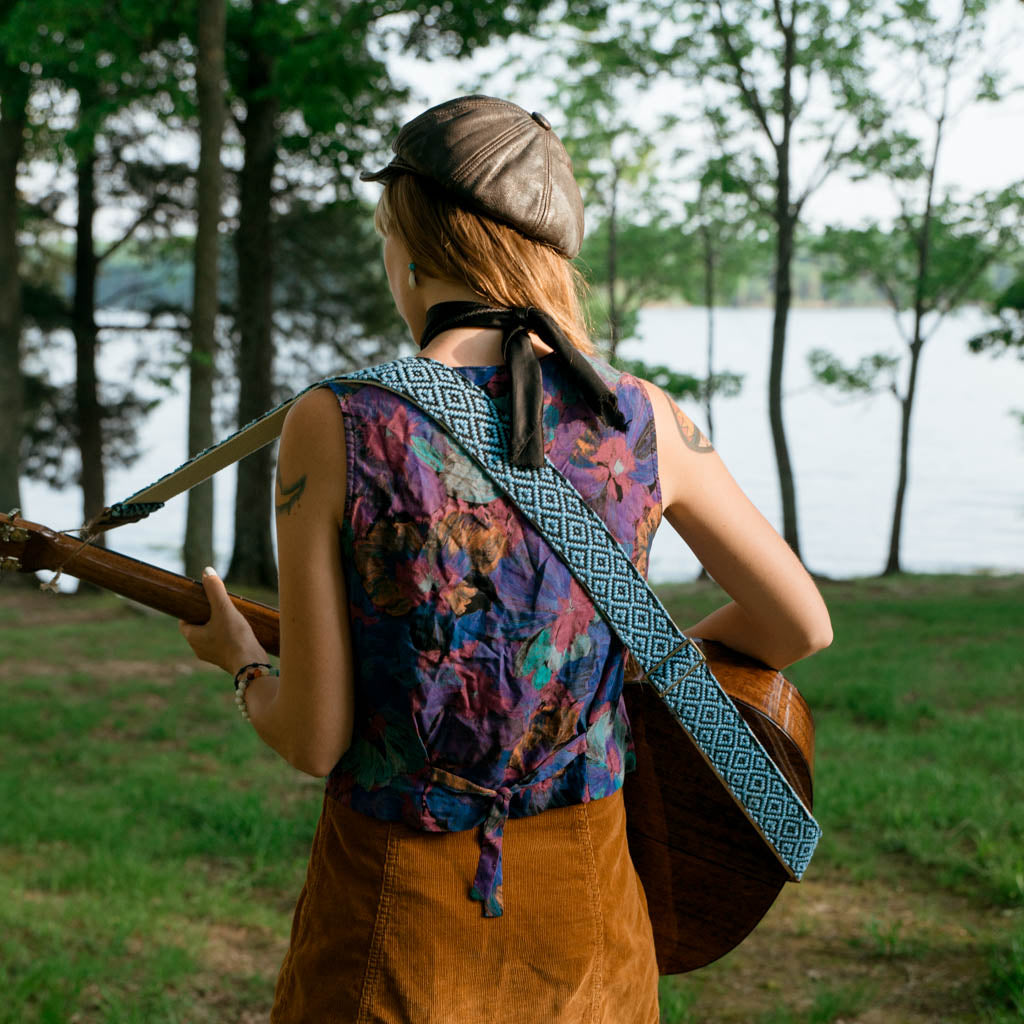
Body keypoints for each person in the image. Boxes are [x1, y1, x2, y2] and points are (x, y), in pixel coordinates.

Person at [179, 95, 832, 1023]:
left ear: (410, 246)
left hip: (398, 909)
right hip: (593, 908)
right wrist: (612, 686)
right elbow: (798, 624)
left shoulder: (342, 422)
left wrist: (240, 662)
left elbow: (314, 736)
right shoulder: (643, 418)